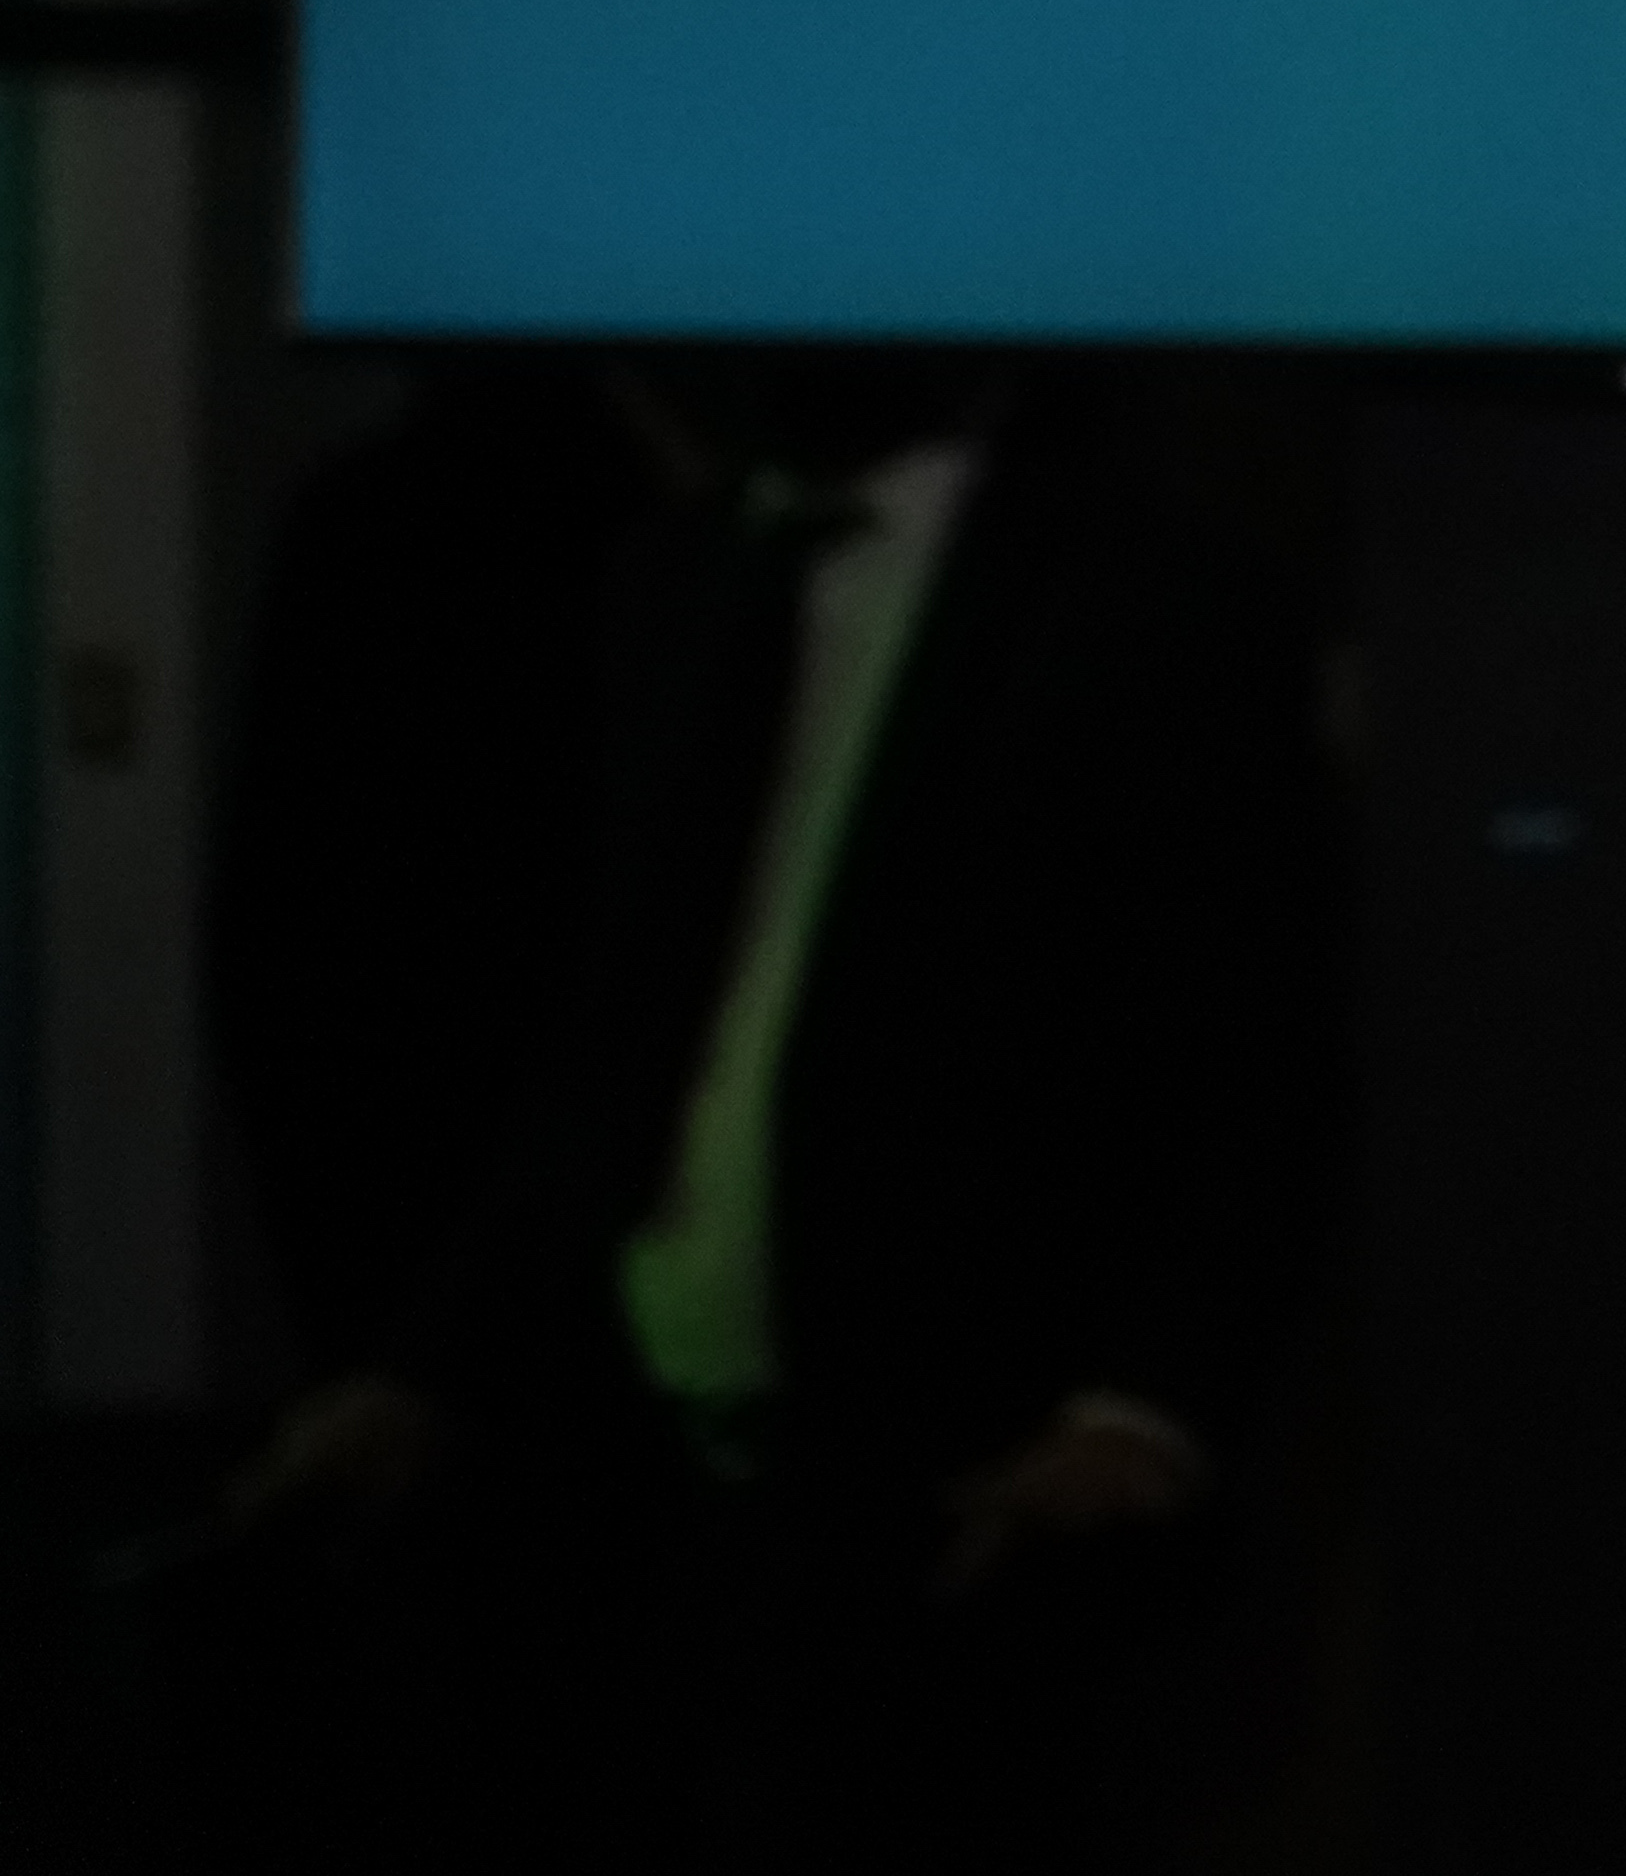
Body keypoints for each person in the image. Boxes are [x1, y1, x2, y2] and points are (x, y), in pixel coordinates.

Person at [186, 353, 1337, 1868]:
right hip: (652, 1480)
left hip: (958, 1483)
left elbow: (1247, 1028)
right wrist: (430, 1365)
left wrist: (1144, 1405)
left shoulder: (1146, 598)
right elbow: (627, 1026)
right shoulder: (682, 580)